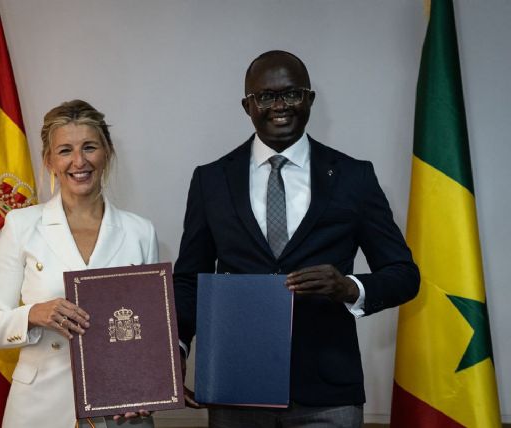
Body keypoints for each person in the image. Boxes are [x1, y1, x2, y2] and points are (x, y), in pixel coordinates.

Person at [173, 51, 420, 427]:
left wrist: (349, 288)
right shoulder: (211, 181)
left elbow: (404, 273)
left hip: (328, 393)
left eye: (291, 94)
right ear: (247, 105)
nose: (280, 106)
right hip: (236, 386)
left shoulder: (354, 177)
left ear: (309, 99)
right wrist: (176, 347)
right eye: (266, 97)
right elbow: (191, 277)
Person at [0, 100, 157, 428]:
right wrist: (34, 314)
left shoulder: (140, 231)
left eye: (89, 147)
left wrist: (144, 389)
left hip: (121, 408)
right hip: (39, 407)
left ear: (106, 152)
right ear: (49, 161)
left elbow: (147, 333)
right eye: (65, 150)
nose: (79, 161)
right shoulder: (21, 225)